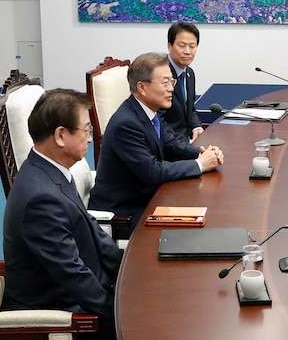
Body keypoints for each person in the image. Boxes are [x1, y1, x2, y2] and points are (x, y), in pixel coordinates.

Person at [1, 89, 122, 340]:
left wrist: (126, 272)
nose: (90, 139)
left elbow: (91, 229)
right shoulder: (39, 199)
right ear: (60, 135)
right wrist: (121, 315)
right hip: (62, 320)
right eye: (86, 130)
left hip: (89, 292)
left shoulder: (51, 170)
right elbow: (73, 276)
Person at [89, 52, 224, 237]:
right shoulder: (126, 124)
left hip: (147, 198)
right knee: (197, 231)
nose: (171, 89)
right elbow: (152, 171)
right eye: (165, 83)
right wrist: (200, 164)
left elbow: (171, 143)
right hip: (125, 213)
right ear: (142, 87)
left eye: (172, 82)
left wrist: (202, 153)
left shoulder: (147, 111)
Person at [160, 22, 203, 143]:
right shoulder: (161, 75)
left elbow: (190, 109)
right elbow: (157, 122)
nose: (188, 51)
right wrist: (186, 146)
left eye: (192, 46)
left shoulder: (189, 73)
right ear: (170, 46)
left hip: (187, 140)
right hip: (169, 145)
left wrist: (196, 127)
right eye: (182, 45)